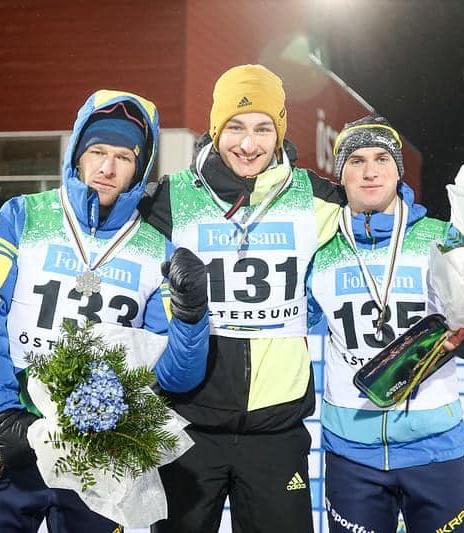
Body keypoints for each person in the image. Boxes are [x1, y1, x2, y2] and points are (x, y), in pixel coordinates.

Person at [0, 90, 210, 533]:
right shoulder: (22, 216)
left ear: (140, 168)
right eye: (97, 152)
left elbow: (175, 376)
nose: (107, 168)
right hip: (14, 433)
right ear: (77, 154)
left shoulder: (157, 251)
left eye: (123, 157)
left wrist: (191, 316)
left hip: (99, 454)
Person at [140, 64, 345, 533]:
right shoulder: (173, 196)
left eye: (262, 129)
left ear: (280, 132)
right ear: (216, 129)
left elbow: (382, 208)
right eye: (235, 127)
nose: (248, 144)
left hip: (276, 434)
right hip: (188, 425)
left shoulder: (315, 197)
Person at [306, 115, 464, 533]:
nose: (370, 171)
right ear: (340, 174)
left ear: (398, 169)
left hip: (434, 451)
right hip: (351, 456)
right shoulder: (321, 250)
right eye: (356, 161)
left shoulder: (444, 239)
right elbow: (286, 324)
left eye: (382, 158)